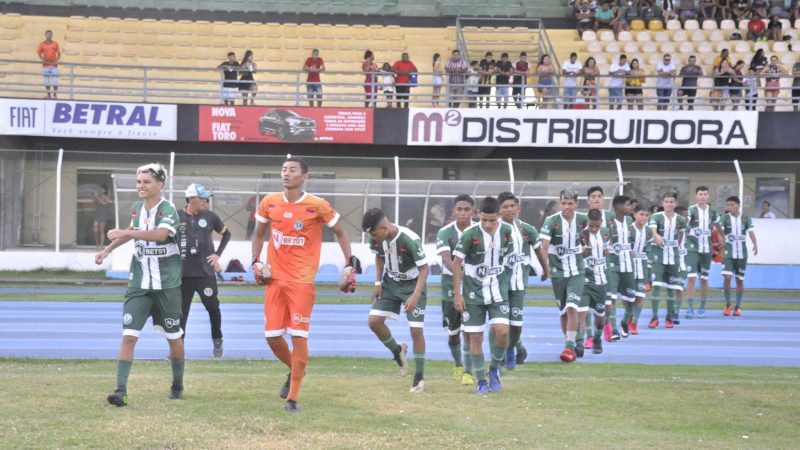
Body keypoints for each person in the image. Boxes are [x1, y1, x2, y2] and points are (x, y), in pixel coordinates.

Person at [251, 157, 356, 413]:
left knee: (299, 336)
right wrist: (256, 261)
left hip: (301, 282)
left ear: (305, 176)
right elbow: (258, 234)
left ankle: (293, 399)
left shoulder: (318, 205)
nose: (286, 174)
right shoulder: (269, 202)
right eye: (284, 169)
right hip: (275, 280)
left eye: (292, 170)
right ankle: (297, 368)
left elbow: (341, 233)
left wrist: (349, 263)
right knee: (272, 337)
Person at [95, 163, 185, 407]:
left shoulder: (168, 210)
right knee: (129, 336)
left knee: (174, 337)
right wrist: (107, 250)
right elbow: (129, 232)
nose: (141, 186)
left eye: (146, 182)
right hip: (138, 284)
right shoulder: (137, 208)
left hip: (167, 285)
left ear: (160, 185)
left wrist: (128, 233)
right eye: (138, 182)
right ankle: (120, 391)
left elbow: (161, 235)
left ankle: (177, 384)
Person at [451, 196, 514, 394]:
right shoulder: (469, 234)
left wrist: (505, 282)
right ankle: (481, 381)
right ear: (478, 214)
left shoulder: (507, 231)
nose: (487, 224)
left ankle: (494, 369)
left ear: (499, 215)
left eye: (492, 220)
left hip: (498, 291)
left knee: (502, 332)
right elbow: (456, 264)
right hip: (473, 293)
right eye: (484, 219)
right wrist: (458, 295)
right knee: (476, 337)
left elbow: (509, 259)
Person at [363, 208, 429, 393]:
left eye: (375, 235)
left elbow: (424, 269)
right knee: (374, 321)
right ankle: (397, 351)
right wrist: (378, 283)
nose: (373, 239)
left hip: (413, 285)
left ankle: (419, 377)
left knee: (416, 331)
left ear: (385, 228)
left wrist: (415, 296)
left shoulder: (410, 239)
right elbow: (379, 257)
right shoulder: (376, 238)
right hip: (391, 284)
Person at [178, 183, 231, 358]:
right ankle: (178, 349)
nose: (206, 202)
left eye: (207, 199)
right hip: (183, 275)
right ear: (191, 199)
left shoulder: (210, 216)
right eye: (203, 199)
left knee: (213, 308)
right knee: (181, 313)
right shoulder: (176, 216)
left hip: (205, 274)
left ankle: (217, 340)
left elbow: (227, 234)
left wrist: (217, 255)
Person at [497, 192, 549, 368]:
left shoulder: (528, 229)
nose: (509, 209)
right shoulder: (494, 230)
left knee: (515, 323)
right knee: (501, 323)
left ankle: (516, 348)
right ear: (499, 210)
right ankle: (505, 352)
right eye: (505, 207)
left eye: (512, 206)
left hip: (519, 284)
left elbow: (538, 251)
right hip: (499, 284)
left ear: (518, 208)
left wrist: (545, 269)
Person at [539, 190, 589, 363]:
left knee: (572, 307)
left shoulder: (582, 219)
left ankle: (569, 346)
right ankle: (571, 340)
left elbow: (587, 235)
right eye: (564, 203)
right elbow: (544, 247)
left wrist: (586, 245)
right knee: (563, 313)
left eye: (570, 203)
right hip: (558, 273)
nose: (566, 207)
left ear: (576, 204)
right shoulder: (551, 221)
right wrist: (545, 268)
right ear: (560, 203)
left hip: (577, 271)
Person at [436, 195, 476, 385]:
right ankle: (458, 364)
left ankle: (468, 371)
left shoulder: (479, 231)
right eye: (459, 209)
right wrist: (461, 274)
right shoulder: (445, 232)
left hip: (473, 285)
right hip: (450, 285)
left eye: (466, 209)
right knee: (453, 333)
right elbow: (446, 259)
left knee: (470, 328)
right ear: (453, 211)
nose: (463, 213)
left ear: (473, 211)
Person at [647, 192, 688, 329]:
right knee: (656, 286)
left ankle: (669, 317)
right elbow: (652, 229)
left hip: (673, 257)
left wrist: (677, 247)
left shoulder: (681, 219)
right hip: (658, 256)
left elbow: (682, 234)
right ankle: (654, 317)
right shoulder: (656, 216)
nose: (669, 204)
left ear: (675, 203)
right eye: (666, 202)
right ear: (662, 203)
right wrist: (656, 236)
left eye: (671, 202)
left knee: (671, 288)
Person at [576, 209, 610, 357]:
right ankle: (579, 343)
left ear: (601, 222)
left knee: (600, 317)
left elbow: (607, 248)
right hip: (584, 281)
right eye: (591, 226)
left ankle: (597, 337)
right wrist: (580, 252)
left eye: (597, 226)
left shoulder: (606, 233)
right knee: (581, 314)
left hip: (601, 282)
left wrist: (607, 251)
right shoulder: (581, 234)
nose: (594, 229)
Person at [685, 186, 722, 319]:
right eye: (700, 194)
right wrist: (685, 231)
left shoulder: (712, 211)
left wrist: (722, 237)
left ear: (708, 196)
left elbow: (718, 225)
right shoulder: (691, 210)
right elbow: (686, 223)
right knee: (691, 278)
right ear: (696, 196)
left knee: (704, 279)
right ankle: (690, 308)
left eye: (705, 194)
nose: (703, 196)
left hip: (706, 249)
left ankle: (702, 307)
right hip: (692, 248)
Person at [720, 196, 758, 316]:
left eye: (732, 205)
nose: (730, 207)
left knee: (739, 280)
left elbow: (751, 232)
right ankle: (728, 304)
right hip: (728, 253)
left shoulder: (746, 218)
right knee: (727, 277)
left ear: (738, 205)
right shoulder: (725, 218)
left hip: (742, 254)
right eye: (728, 205)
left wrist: (755, 244)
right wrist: (721, 241)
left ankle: (737, 306)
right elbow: (720, 231)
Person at [607, 195, 637, 340]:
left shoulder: (630, 220)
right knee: (612, 298)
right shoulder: (609, 221)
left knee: (631, 299)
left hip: (628, 264)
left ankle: (624, 322)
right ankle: (613, 330)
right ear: (617, 207)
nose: (630, 207)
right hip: (613, 264)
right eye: (627, 205)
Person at [629, 204, 654, 335]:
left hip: (642, 268)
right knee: (629, 298)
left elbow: (649, 252)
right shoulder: (628, 229)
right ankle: (627, 319)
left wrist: (649, 276)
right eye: (641, 214)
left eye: (646, 215)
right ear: (634, 214)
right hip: (628, 268)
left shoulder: (649, 231)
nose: (644, 217)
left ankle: (634, 323)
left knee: (640, 297)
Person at [37, 30, 61, 99]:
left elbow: (59, 53)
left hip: (53, 65)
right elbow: (39, 53)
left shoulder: (55, 44)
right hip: (46, 65)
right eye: (48, 34)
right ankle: (48, 95)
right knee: (47, 81)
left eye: (50, 34)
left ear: (52, 35)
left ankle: (55, 95)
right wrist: (42, 59)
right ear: (45, 35)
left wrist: (56, 60)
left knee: (55, 81)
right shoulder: (42, 44)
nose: (49, 35)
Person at [92, 184, 113, 249]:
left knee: (101, 230)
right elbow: (93, 203)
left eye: (102, 189)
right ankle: (97, 243)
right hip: (97, 213)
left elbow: (104, 204)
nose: (100, 190)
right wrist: (95, 197)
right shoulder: (98, 195)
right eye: (100, 189)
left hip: (103, 213)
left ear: (105, 190)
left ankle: (101, 244)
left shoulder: (106, 196)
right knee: (95, 229)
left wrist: (98, 198)